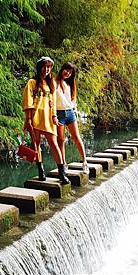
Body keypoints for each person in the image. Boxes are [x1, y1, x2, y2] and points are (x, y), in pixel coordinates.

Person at [23, 56, 70, 184]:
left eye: (49, 67)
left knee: (54, 144)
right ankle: (41, 171)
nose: (47, 69)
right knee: (36, 144)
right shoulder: (32, 82)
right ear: (39, 67)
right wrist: (28, 120)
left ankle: (62, 173)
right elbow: (28, 101)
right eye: (44, 66)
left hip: (48, 118)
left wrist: (54, 116)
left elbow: (53, 102)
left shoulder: (51, 84)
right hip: (35, 117)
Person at [55, 62, 90, 176]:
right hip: (59, 114)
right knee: (61, 140)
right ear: (62, 69)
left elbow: (73, 101)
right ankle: (64, 164)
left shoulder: (70, 85)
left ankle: (84, 162)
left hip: (70, 113)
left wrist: (75, 111)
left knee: (76, 137)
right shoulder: (54, 82)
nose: (68, 73)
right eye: (67, 70)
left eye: (70, 72)